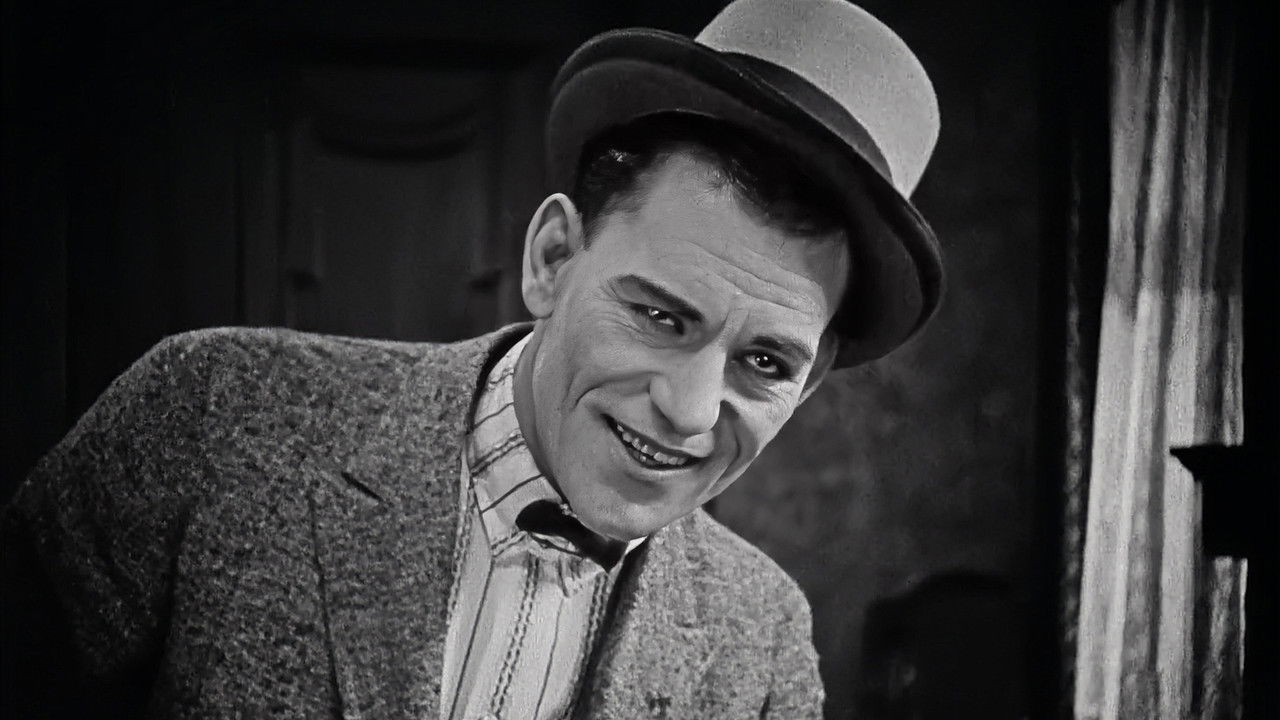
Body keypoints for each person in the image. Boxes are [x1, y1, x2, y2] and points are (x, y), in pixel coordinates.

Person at [1, 0, 943, 718]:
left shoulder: (765, 642)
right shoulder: (211, 412)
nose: (691, 410)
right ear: (553, 259)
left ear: (808, 382)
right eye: (660, 315)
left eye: (766, 363)